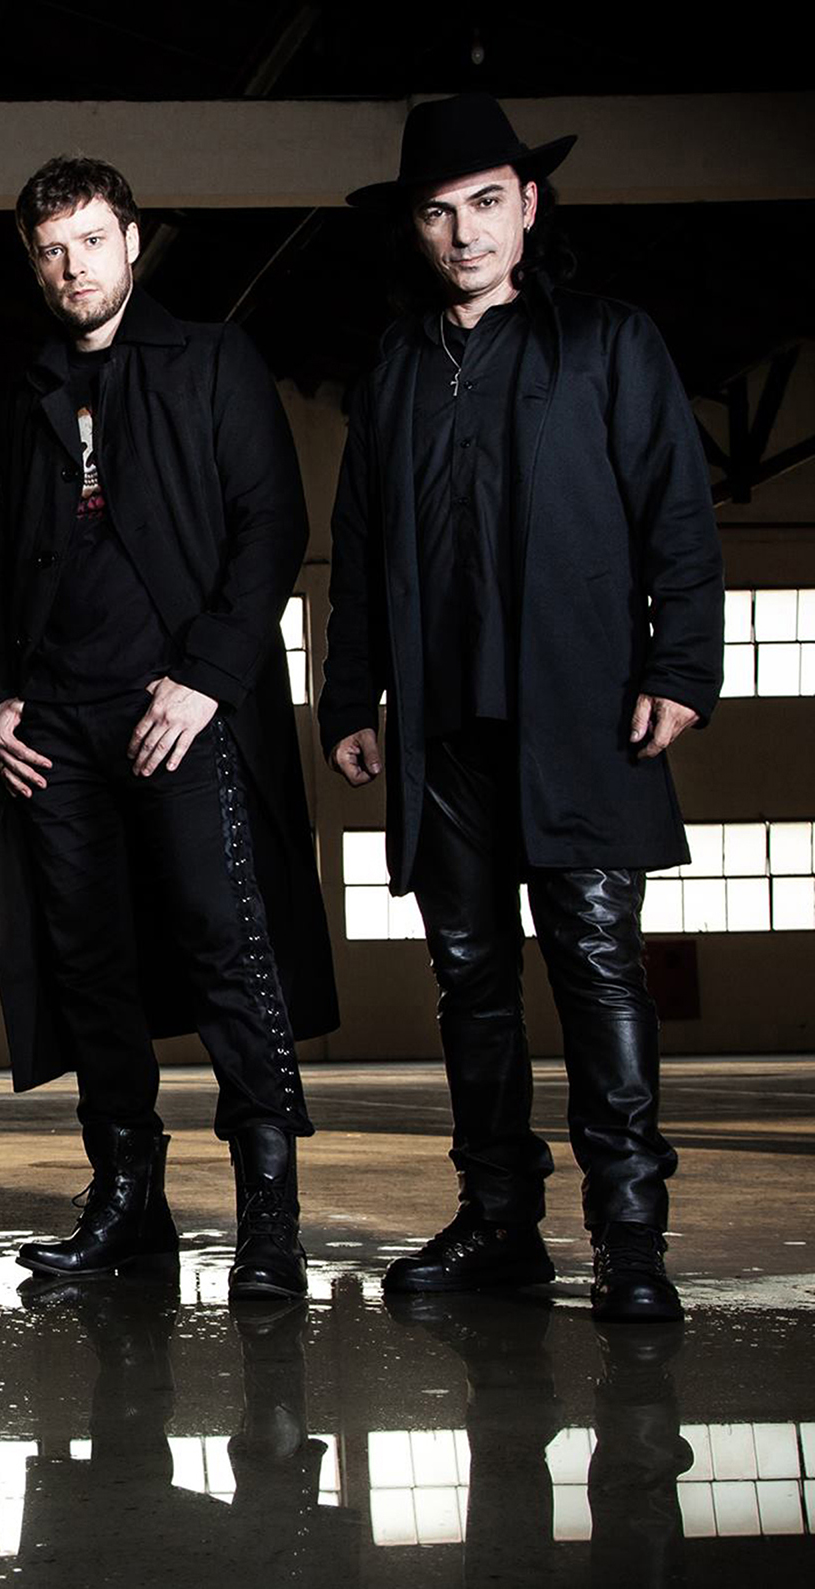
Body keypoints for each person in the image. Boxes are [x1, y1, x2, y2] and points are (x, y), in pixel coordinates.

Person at [321, 93, 723, 1322]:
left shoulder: (604, 341)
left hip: (579, 711)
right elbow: (355, 545)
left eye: (486, 203)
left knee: (597, 966)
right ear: (413, 227)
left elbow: (675, 510)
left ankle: (629, 1234)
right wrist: (348, 693)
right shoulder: (394, 366)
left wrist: (679, 668)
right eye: (438, 213)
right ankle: (499, 1220)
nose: (464, 233)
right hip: (441, 728)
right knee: (468, 979)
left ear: (528, 204)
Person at [0, 156, 338, 1302]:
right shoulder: (30, 388)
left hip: (177, 705)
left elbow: (269, 524)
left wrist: (206, 678)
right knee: (86, 965)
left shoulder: (210, 360)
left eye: (89, 240)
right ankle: (128, 1206)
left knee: (227, 945)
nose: (70, 266)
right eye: (49, 250)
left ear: (130, 240)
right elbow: (1, 564)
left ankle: (268, 1219)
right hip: (55, 725)